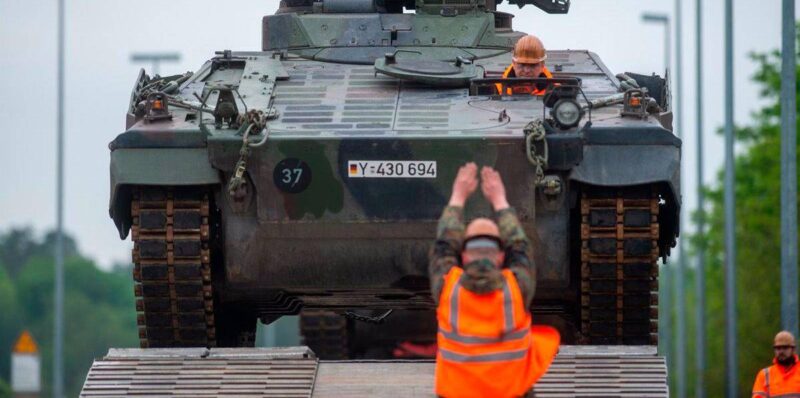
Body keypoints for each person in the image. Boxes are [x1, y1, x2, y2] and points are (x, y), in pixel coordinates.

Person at [429, 162, 560, 398]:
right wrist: (500, 201)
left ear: (464, 256)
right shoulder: (516, 288)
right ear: (501, 257)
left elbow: (443, 246)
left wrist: (458, 196)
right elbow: (520, 248)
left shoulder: (449, 289)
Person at [752, 330, 800, 397]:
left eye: (785, 348)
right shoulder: (764, 375)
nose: (781, 351)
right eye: (778, 348)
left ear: (793, 349)